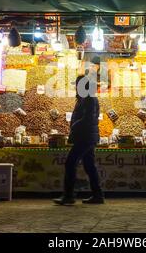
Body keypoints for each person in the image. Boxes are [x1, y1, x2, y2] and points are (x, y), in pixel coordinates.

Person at [53, 75, 104, 205]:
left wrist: (74, 126)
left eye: (77, 84)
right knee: (89, 166)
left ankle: (68, 196)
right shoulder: (84, 98)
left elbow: (88, 118)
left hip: (85, 137)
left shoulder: (89, 99)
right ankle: (98, 195)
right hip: (86, 136)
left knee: (70, 163)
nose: (76, 87)